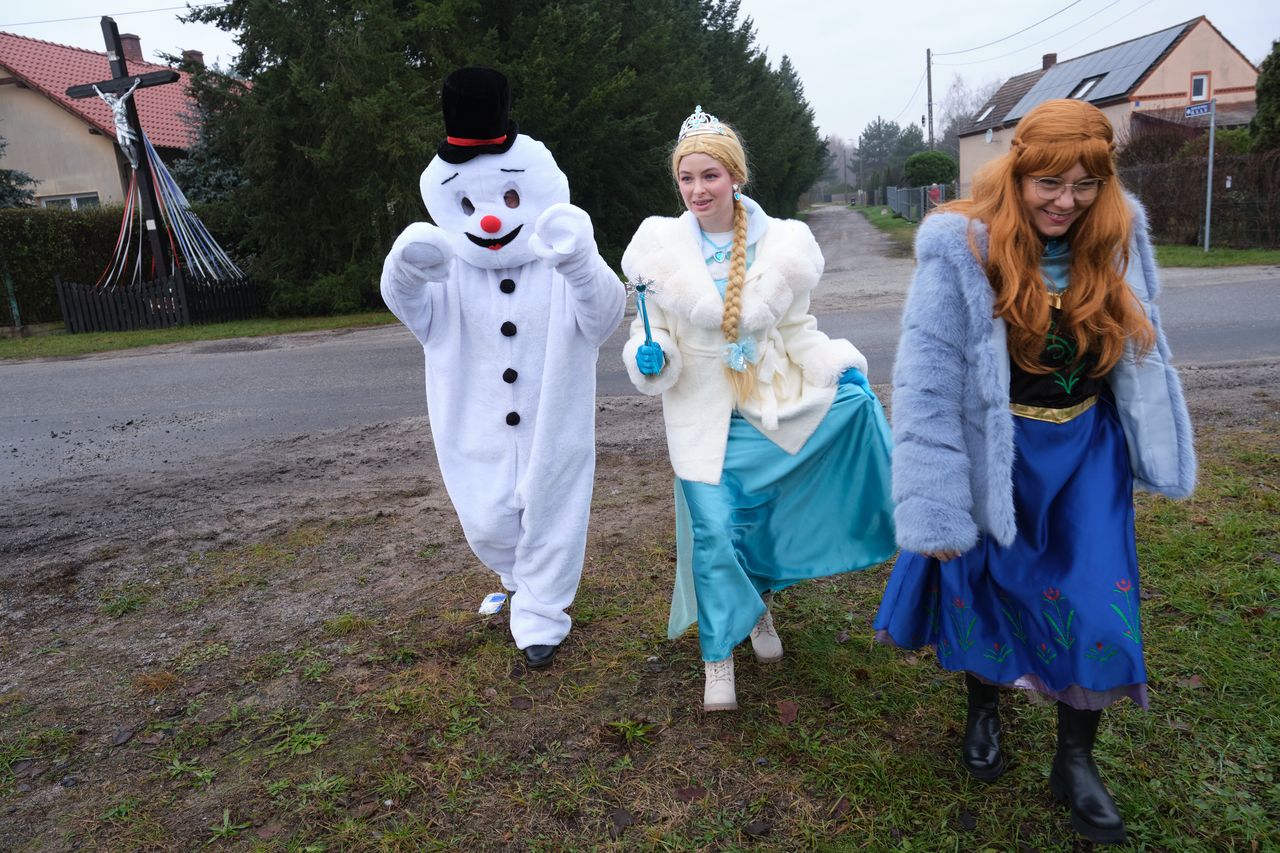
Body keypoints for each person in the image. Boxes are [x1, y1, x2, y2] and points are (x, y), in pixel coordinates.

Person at [873, 99, 1196, 845]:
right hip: (999, 451)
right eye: (1049, 183)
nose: (1065, 201)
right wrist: (935, 499)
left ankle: (1075, 759)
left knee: (1096, 602)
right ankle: (983, 709)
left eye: (1085, 185)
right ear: (1018, 175)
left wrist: (1154, 437)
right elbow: (926, 385)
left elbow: (1146, 350)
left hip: (1087, 455)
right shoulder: (962, 248)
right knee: (989, 589)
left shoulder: (1115, 238)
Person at [622, 106, 896, 712]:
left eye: (710, 176)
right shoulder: (656, 251)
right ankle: (717, 658)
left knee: (760, 522)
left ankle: (758, 610)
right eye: (687, 178)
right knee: (715, 530)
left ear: (735, 177)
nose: (698, 190)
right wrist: (651, 355)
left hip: (769, 405)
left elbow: (797, 330)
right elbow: (651, 329)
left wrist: (836, 368)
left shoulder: (783, 245)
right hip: (699, 415)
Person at [381, 68, 625, 670]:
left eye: (510, 200)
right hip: (474, 424)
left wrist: (581, 260)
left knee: (553, 512)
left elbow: (604, 317)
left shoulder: (556, 262)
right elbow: (410, 307)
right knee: (487, 521)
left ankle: (542, 612)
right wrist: (405, 267)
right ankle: (519, 576)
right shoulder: (449, 269)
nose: (490, 220)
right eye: (469, 205)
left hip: (552, 419)